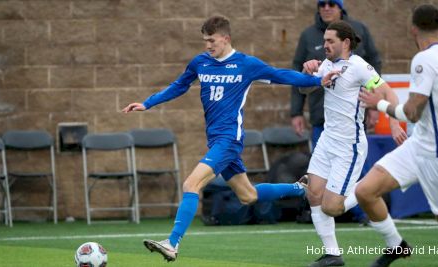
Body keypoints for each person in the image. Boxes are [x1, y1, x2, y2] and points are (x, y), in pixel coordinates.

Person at [122, 16, 338, 262]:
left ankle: (172, 243)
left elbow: (282, 75)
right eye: (205, 41)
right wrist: (147, 103)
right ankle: (300, 189)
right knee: (248, 196)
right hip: (216, 141)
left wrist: (317, 80)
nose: (207, 46)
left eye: (212, 40)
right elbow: (178, 86)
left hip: (229, 140)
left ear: (226, 38)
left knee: (191, 185)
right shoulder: (200, 63)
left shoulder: (246, 64)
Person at [356, 4, 438, 267]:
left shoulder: (423, 59)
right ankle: (397, 246)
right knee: (366, 191)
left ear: (412, 28)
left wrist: (378, 104)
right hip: (420, 146)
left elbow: (413, 112)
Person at [300, 21, 407, 267]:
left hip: (349, 145)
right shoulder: (325, 64)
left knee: (332, 207)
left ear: (345, 43)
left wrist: (393, 124)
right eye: (324, 40)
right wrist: (308, 74)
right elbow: (304, 91)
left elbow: (389, 94)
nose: (324, 45)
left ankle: (366, 188)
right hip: (327, 140)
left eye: (330, 41)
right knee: (313, 193)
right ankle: (333, 255)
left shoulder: (359, 67)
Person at [291, 0, 382, 151]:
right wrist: (296, 112)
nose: (326, 8)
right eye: (322, 4)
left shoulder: (359, 30)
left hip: (352, 120)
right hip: (321, 116)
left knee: (353, 169)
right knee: (320, 169)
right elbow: (298, 74)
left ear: (340, 7)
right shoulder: (308, 35)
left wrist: (373, 106)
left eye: (331, 4)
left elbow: (374, 66)